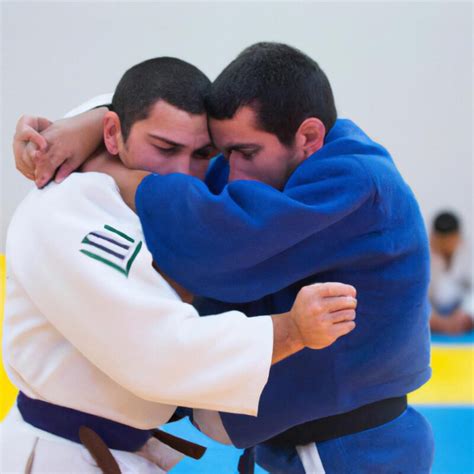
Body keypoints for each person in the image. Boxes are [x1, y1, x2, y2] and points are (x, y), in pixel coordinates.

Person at [14, 43, 434, 473]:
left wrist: (121, 174)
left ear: (308, 138)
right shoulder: (63, 207)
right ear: (113, 131)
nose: (227, 172)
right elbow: (152, 107)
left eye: (242, 153)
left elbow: (221, 242)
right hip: (297, 445)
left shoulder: (355, 182)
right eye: (222, 152)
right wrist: (83, 127)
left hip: (352, 451)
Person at [429, 211, 473, 334]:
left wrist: (465, 314)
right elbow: (417, 296)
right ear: (433, 238)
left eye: (449, 240)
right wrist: (435, 320)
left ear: (458, 237)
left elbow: (471, 292)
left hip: (461, 314)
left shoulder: (468, 251)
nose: (445, 245)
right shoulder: (422, 256)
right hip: (432, 315)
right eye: (441, 241)